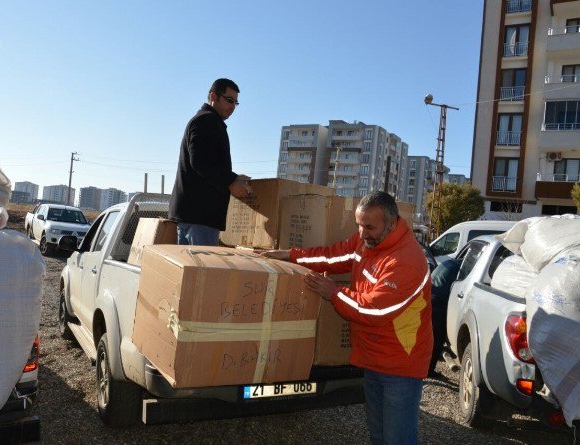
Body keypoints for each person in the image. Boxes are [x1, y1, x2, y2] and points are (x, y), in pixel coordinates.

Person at [260, 191, 432, 445]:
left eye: (369, 227)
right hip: (373, 359)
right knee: (379, 434)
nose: (362, 234)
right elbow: (333, 255)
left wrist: (333, 292)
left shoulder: (406, 261)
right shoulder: (368, 242)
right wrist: (290, 255)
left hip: (400, 366)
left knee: (398, 439)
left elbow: (373, 311)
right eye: (359, 226)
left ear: (392, 223)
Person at [169, 78, 253, 246]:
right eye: (229, 100)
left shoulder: (204, 120)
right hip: (201, 218)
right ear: (213, 96)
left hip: (192, 216)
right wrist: (230, 182)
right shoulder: (207, 120)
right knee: (202, 272)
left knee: (191, 271)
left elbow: (205, 163)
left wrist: (234, 177)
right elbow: (200, 162)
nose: (232, 107)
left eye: (236, 103)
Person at [428, 258, 461, 376]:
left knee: (429, 337)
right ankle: (429, 371)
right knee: (437, 339)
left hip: (428, 296)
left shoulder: (450, 262)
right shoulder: (462, 268)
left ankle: (423, 368)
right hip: (438, 301)